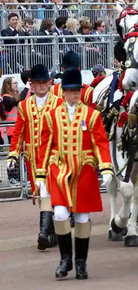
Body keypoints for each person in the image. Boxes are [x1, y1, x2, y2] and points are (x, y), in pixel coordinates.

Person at [37, 68, 113, 279]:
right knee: (60, 214)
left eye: (77, 90)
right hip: (60, 170)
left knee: (82, 217)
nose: (75, 94)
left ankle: (81, 262)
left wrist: (106, 166)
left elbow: (100, 143)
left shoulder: (92, 114)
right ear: (63, 92)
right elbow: (45, 146)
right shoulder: (51, 116)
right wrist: (41, 176)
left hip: (84, 171)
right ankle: (65, 259)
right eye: (71, 90)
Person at [6, 64, 64, 251]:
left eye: (44, 82)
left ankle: (43, 234)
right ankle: (51, 232)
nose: (41, 86)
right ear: (31, 85)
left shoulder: (58, 102)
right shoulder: (24, 105)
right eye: (37, 83)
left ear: (49, 83)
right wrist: (13, 153)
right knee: (41, 194)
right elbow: (18, 132)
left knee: (49, 192)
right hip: (33, 158)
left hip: (54, 157)